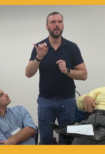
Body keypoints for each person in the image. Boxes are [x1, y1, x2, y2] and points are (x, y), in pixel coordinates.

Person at [25, 11, 87, 144]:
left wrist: (67, 71)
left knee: (67, 139)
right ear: (47, 26)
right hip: (45, 100)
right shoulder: (39, 47)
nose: (56, 25)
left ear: (63, 25)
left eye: (59, 22)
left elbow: (84, 74)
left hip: (67, 100)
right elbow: (28, 73)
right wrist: (39, 57)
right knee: (46, 139)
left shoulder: (72, 47)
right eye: (53, 22)